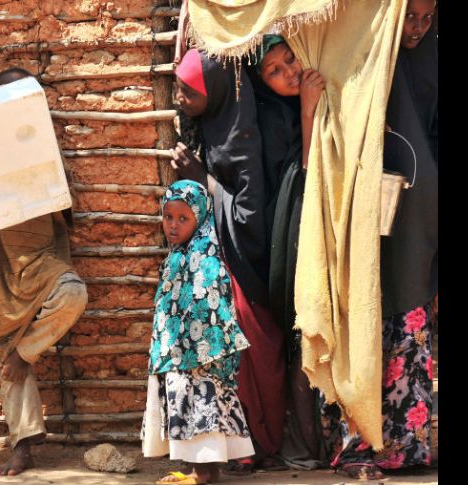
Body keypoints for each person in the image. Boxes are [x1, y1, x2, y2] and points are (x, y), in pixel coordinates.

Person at [0, 67, 89, 476]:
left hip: (43, 261)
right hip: (4, 269)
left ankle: (24, 352)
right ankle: (23, 444)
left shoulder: (43, 150)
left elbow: (64, 203)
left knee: (73, 293)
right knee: (7, 358)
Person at [323, 0, 438, 479]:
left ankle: (407, 448)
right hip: (366, 213)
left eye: (428, 18)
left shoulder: (431, 61)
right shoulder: (368, 57)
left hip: (418, 224)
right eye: (410, 16)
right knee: (362, 320)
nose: (417, 28)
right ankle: (359, 446)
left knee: (410, 326)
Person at [171, 48, 287, 472]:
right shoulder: (213, 124)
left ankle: (255, 442)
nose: (180, 98)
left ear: (217, 92)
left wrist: (202, 180)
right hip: (224, 266)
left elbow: (250, 217)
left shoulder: (243, 138)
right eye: (178, 88)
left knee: (250, 353)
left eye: (188, 91)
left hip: (247, 270)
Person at [248, 35, 327, 471]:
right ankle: (305, 444)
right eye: (273, 71)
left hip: (315, 227)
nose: (290, 73)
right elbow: (302, 178)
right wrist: (308, 110)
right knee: (303, 332)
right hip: (292, 234)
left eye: (290, 58)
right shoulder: (272, 117)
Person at [142, 179, 254, 485]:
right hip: (179, 353)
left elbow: (211, 306)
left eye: (183, 218)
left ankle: (203, 472)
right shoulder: (179, 256)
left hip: (199, 357)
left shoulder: (206, 258)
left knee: (200, 404)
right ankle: (201, 470)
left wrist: (191, 349)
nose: (173, 225)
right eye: (168, 217)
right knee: (190, 404)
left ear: (200, 218)